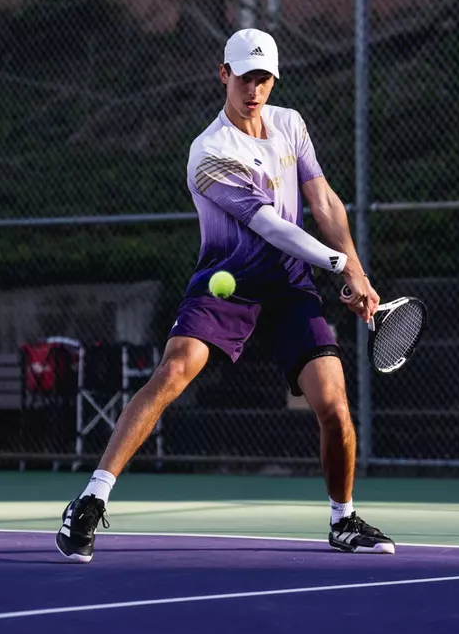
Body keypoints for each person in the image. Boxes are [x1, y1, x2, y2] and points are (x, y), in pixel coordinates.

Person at [56, 29, 394, 561]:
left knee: (333, 404)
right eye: (244, 77)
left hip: (288, 285)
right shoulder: (209, 153)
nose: (254, 89)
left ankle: (343, 519)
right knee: (172, 373)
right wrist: (336, 266)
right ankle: (91, 501)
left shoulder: (290, 124)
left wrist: (356, 267)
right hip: (228, 282)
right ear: (224, 75)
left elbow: (323, 200)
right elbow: (268, 226)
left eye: (263, 78)